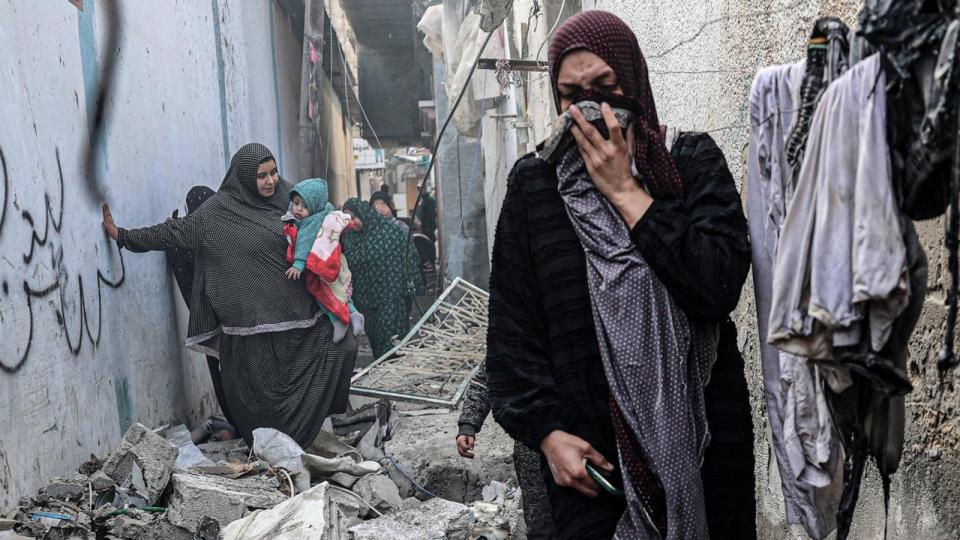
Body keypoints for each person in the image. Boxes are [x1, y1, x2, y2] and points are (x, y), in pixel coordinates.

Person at [485, 11, 754, 540]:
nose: (590, 108)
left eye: (607, 88)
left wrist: (628, 193)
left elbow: (717, 285)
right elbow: (513, 334)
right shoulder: (534, 187)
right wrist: (547, 435)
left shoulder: (688, 162)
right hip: (589, 461)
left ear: (634, 82)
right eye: (572, 94)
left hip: (705, 442)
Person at [101, 143, 358, 447]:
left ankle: (302, 438)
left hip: (301, 323)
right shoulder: (217, 213)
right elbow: (173, 234)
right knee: (257, 399)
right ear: (245, 176)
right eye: (261, 175)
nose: (270, 181)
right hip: (251, 331)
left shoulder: (290, 198)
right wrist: (124, 236)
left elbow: (324, 221)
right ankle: (270, 448)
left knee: (343, 348)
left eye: (274, 172)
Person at [457, 362, 557, 539]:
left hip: (586, 446)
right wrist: (468, 424)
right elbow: (487, 377)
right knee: (541, 523)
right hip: (532, 448)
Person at [165, 185, 234, 427]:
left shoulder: (192, 237)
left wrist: (171, 229)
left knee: (220, 373)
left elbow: (178, 251)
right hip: (236, 320)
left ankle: (237, 422)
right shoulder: (229, 231)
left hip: (210, 322)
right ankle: (246, 423)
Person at [341, 198, 425, 359]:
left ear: (363, 214)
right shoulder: (349, 237)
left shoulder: (390, 231)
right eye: (346, 219)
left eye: (353, 217)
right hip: (365, 299)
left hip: (392, 295)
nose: (350, 222)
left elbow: (409, 256)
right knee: (376, 339)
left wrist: (413, 285)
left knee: (392, 338)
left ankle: (398, 372)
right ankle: (384, 373)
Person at [283, 179, 364, 343]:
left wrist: (298, 264)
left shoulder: (310, 223)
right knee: (342, 293)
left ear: (314, 206)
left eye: (304, 206)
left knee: (323, 297)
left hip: (321, 268)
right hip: (336, 261)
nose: (298, 208)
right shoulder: (326, 211)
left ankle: (338, 321)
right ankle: (355, 315)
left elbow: (305, 242)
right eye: (296, 203)